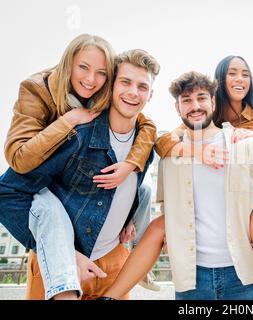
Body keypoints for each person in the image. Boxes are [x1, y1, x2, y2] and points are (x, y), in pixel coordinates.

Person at [100, 71, 253, 300]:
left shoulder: (246, 145)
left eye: (201, 98)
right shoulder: (170, 157)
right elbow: (167, 206)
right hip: (192, 281)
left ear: (213, 102)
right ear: (178, 108)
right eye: (187, 100)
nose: (195, 106)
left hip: (246, 277)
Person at [0, 48, 159, 300]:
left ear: (151, 94)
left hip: (114, 263)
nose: (133, 92)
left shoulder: (146, 142)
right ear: (110, 86)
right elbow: (7, 192)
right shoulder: (77, 135)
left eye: (142, 86)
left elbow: (134, 188)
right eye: (125, 82)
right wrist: (63, 253)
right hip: (58, 265)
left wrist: (128, 217)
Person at [154, 56, 253, 300]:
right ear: (220, 81)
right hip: (226, 205)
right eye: (232, 73)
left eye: (245, 74)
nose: (239, 79)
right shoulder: (206, 115)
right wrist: (198, 151)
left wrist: (249, 138)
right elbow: (165, 141)